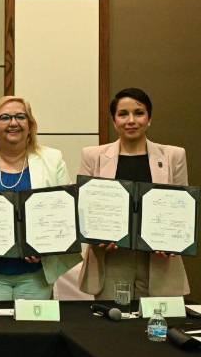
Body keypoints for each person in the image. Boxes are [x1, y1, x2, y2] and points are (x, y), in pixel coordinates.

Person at [0, 96, 79, 301]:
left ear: (30, 125)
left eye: (20, 117)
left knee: (32, 323)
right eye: (5, 117)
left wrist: (45, 247)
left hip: (35, 275)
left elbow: (65, 214)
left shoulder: (52, 160)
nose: (13, 123)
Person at [77, 88, 190, 299]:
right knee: (114, 317)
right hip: (111, 259)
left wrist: (173, 241)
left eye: (139, 113)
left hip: (159, 260)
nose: (131, 120)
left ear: (149, 119)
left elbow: (182, 208)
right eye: (123, 114)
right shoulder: (93, 156)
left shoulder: (173, 156)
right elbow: (85, 209)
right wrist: (96, 235)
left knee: (158, 318)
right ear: (114, 121)